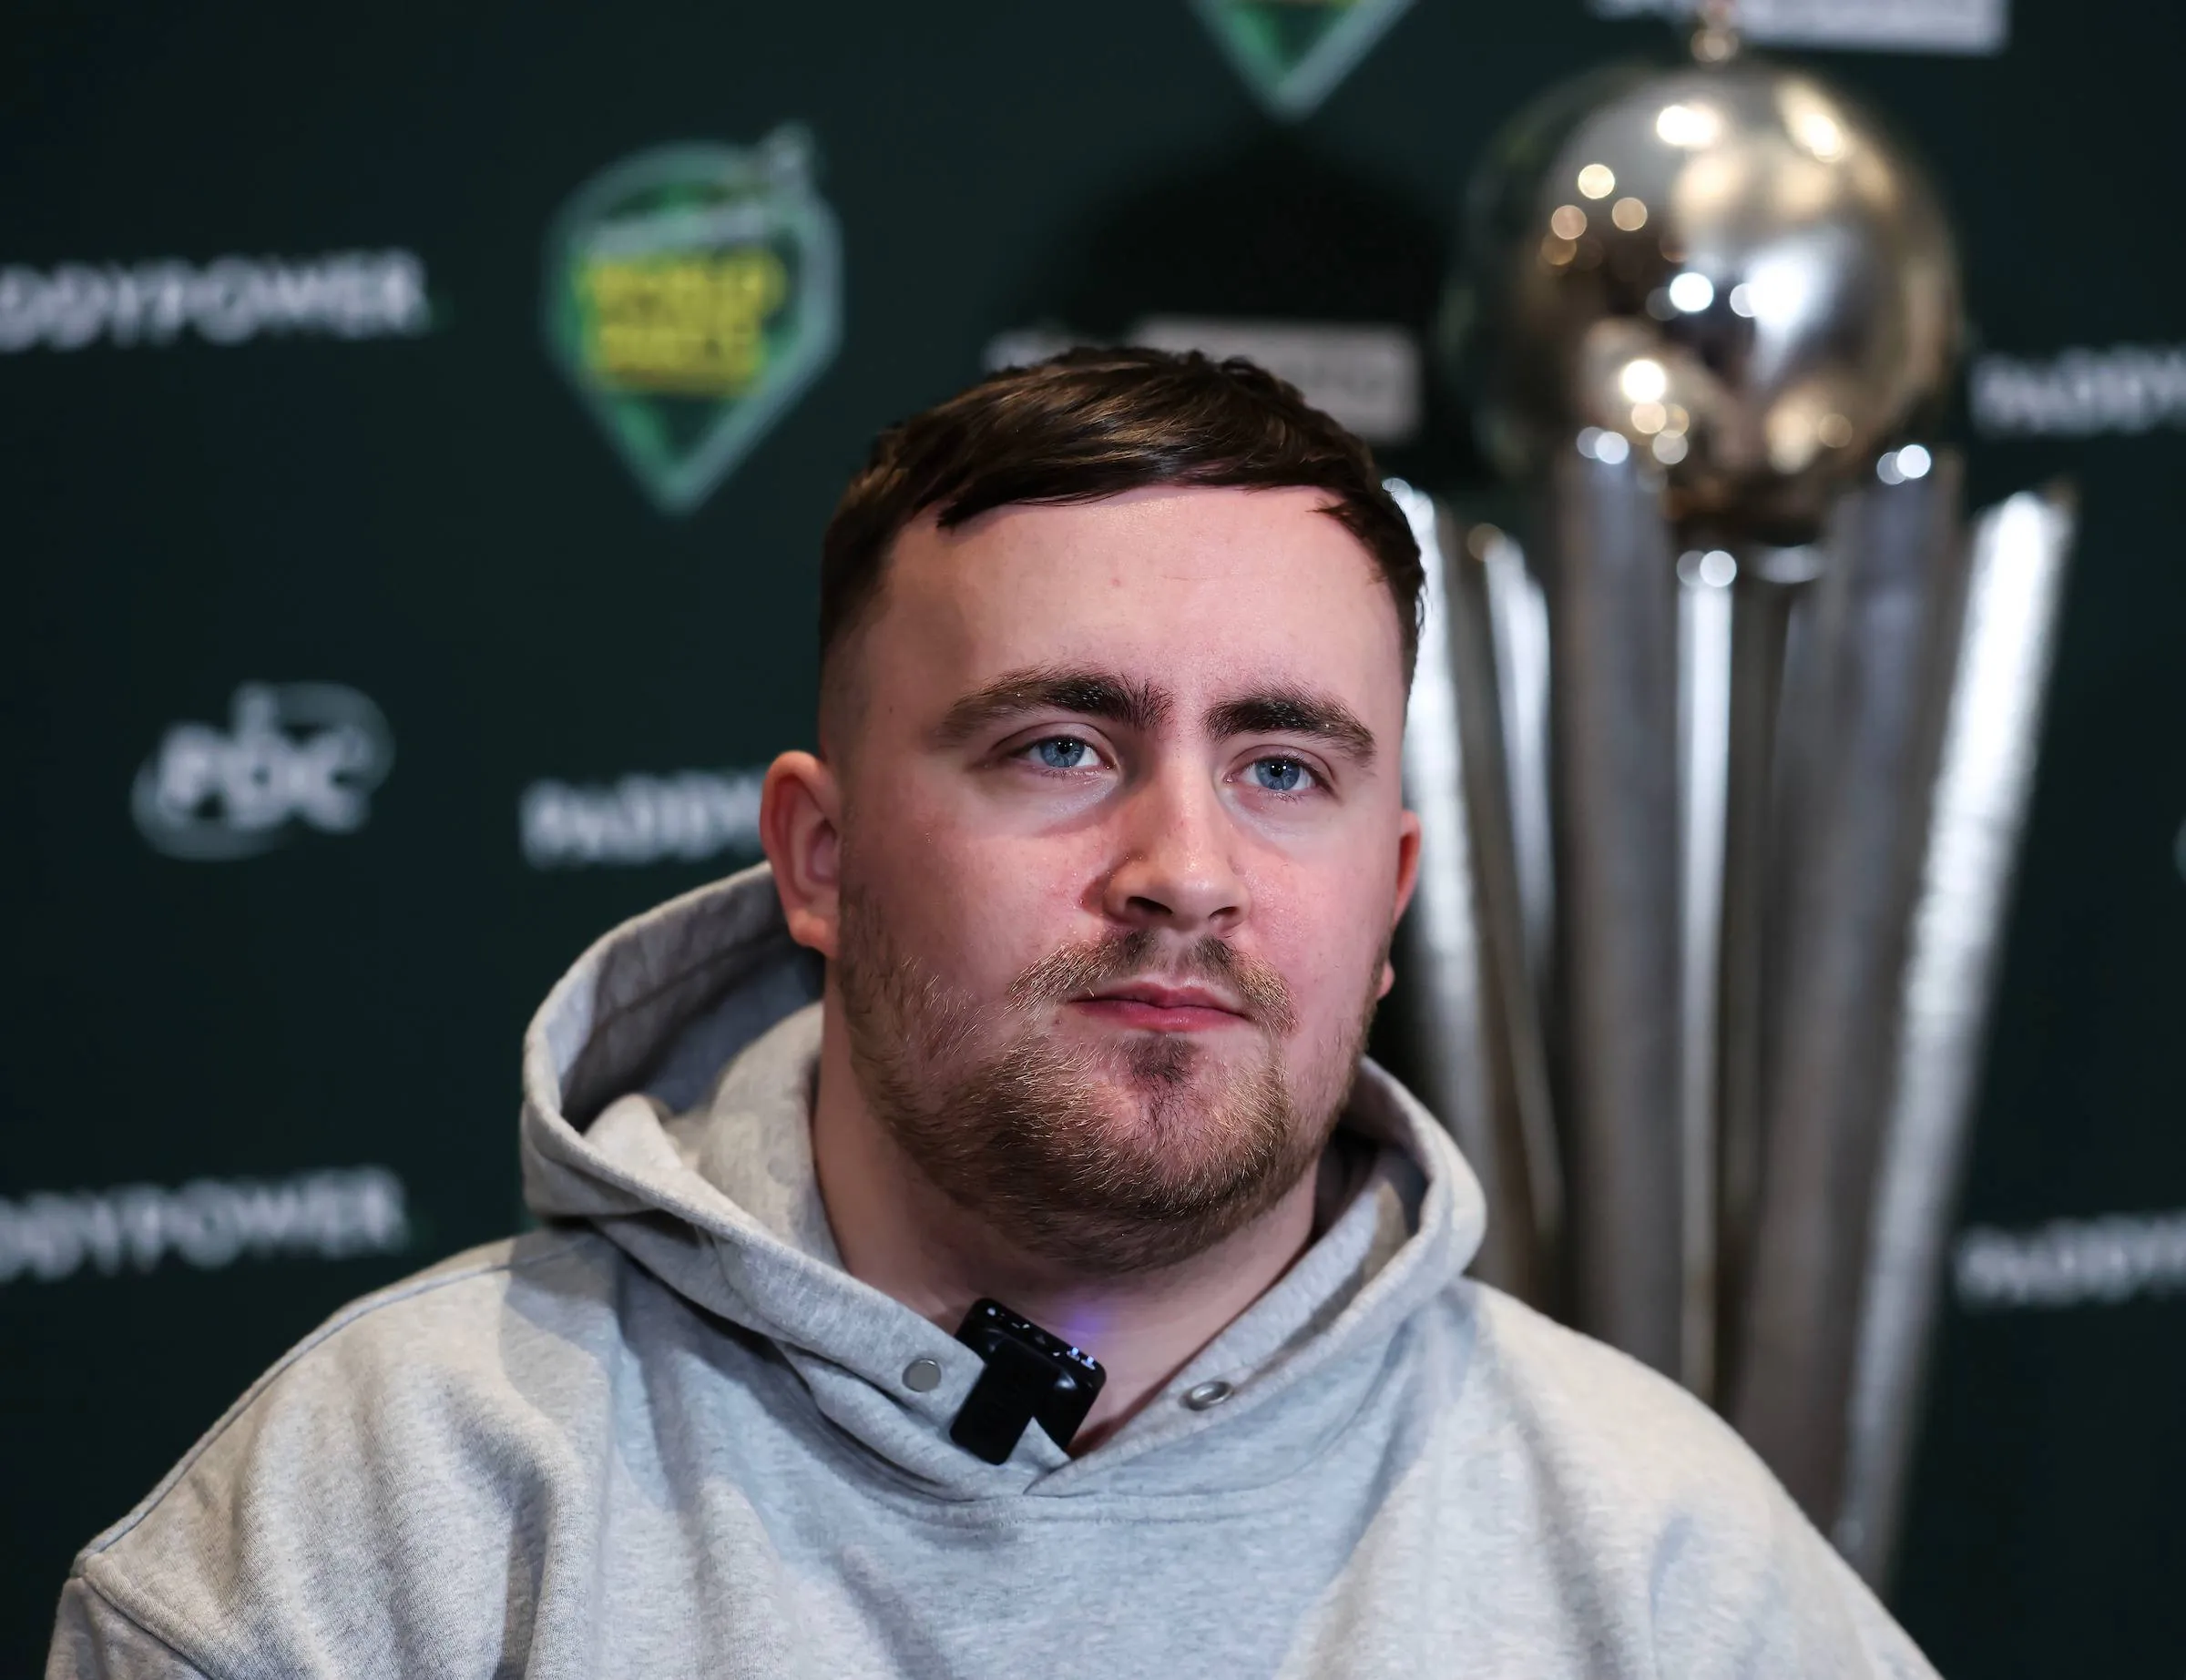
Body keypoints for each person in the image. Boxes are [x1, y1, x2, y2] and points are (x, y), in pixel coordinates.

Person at [47, 349, 1936, 1678]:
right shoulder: (381, 1517)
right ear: (820, 855)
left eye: (1286, 766)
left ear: (1388, 906)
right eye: (1060, 743)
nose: (1184, 864)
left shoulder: (1671, 1567)